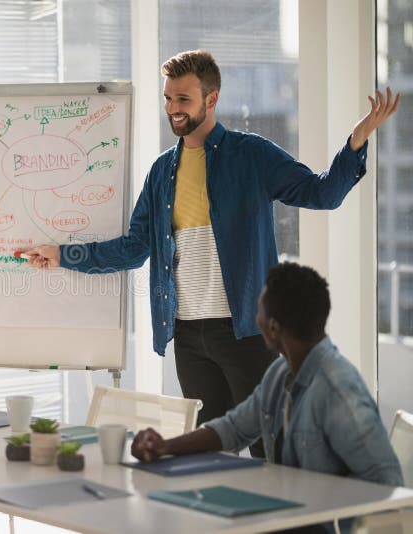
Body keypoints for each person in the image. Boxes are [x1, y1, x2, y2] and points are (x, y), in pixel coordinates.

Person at [22, 50, 400, 455]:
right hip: (188, 335)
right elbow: (134, 250)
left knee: (272, 453)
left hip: (247, 333)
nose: (173, 109)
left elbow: (321, 193)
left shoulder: (251, 155)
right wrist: (63, 255)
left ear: (211, 99)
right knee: (207, 454)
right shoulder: (160, 172)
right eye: (168, 99)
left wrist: (356, 141)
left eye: (183, 99)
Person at [130, 263, 403, 533]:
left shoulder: (338, 392)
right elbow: (234, 429)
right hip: (289, 517)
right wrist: (165, 447)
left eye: (257, 310)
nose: (254, 318)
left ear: (273, 328)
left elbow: (387, 484)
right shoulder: (281, 373)